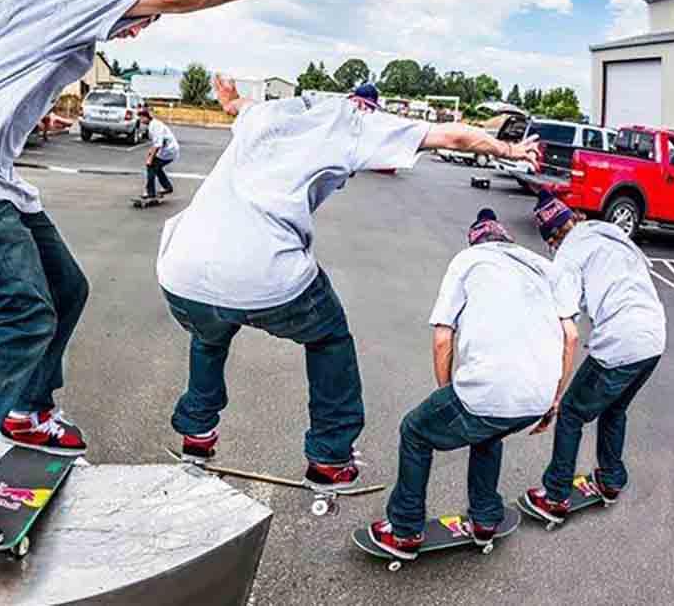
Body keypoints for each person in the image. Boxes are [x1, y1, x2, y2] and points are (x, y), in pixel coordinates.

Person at [0, 0, 388, 545]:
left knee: (67, 288)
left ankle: (27, 410)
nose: (136, 32)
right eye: (143, 19)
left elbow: (0, 77)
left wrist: (36, 117)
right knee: (21, 317)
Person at [158, 75, 544, 494]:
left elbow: (240, 108)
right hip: (266, 272)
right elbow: (455, 137)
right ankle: (330, 457)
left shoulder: (271, 111)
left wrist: (230, 99)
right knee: (329, 338)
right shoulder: (355, 122)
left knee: (209, 334)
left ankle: (196, 431)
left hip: (182, 269)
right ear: (367, 106)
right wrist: (510, 149)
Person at [366, 209, 577, 562]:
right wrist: (554, 400)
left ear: (476, 240)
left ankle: (404, 531)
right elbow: (571, 337)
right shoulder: (543, 266)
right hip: (537, 398)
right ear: (505, 239)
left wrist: (446, 391)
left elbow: (442, 338)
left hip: (488, 390)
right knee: (487, 432)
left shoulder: (469, 259)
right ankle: (484, 519)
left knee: (415, 431)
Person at [523, 191, 666, 523]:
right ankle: (611, 480)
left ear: (553, 238)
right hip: (654, 337)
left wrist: (554, 389)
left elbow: (567, 324)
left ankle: (556, 496)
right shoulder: (609, 231)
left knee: (572, 412)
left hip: (621, 340)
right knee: (614, 408)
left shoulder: (568, 255)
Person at [139, 108, 179, 199]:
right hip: (168, 150)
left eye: (141, 117)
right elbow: (156, 143)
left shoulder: (155, 126)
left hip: (169, 150)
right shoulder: (153, 124)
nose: (140, 120)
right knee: (157, 167)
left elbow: (158, 144)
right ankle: (167, 187)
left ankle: (150, 193)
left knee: (151, 166)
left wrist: (150, 158)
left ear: (146, 117)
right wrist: (151, 151)